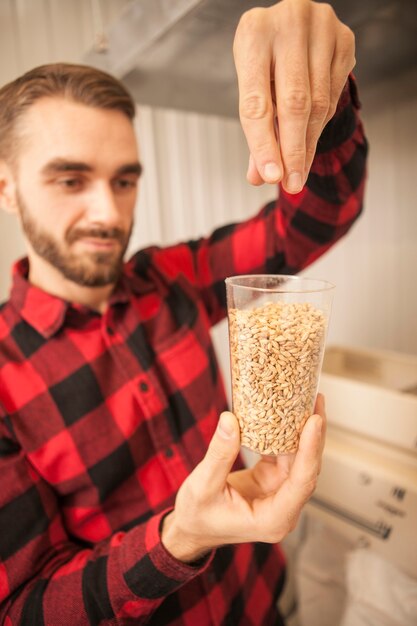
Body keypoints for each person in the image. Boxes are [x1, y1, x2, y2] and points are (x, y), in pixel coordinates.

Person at [0, 0, 367, 623]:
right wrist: (180, 539)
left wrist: (318, 107)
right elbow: (23, 608)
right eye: (70, 179)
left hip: (265, 604)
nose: (108, 214)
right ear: (6, 186)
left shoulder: (168, 278)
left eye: (124, 180)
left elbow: (314, 219)